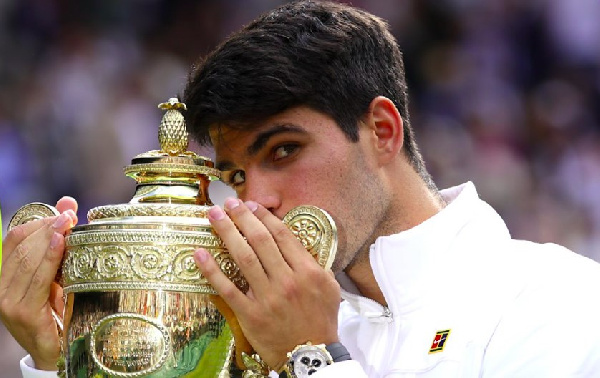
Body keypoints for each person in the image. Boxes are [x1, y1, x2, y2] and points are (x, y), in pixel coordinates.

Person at [2, 1, 600, 377]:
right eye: (234, 175)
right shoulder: (249, 328)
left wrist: (314, 360)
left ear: (382, 131)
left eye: (283, 150)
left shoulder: (554, 302)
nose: (253, 199)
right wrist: (63, 360)